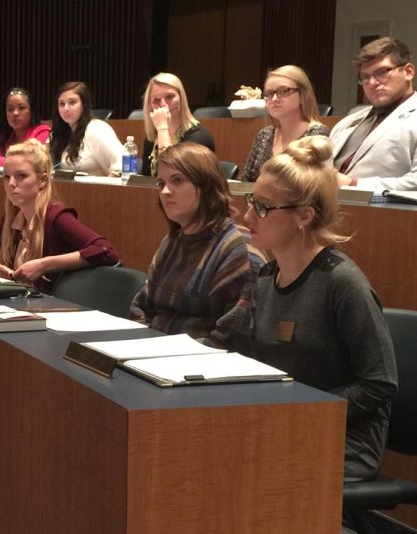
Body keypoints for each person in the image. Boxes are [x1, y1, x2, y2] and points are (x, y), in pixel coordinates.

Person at [239, 135, 397, 481]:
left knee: (241, 464)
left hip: (343, 439)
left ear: (304, 216)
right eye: (251, 201)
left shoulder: (342, 283)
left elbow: (380, 384)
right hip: (285, 424)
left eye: (263, 207)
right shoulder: (267, 276)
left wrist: (306, 413)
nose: (248, 214)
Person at [129, 143, 255, 348]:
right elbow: (141, 306)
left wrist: (160, 352)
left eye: (177, 180)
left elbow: (231, 337)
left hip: (199, 365)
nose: (165, 191)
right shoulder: (171, 241)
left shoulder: (236, 248)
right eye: (161, 183)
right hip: (153, 355)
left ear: (206, 185)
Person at [0, 140, 119, 288]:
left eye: (21, 176)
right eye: (6, 177)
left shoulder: (57, 217)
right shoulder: (11, 220)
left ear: (43, 180)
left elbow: (106, 251)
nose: (11, 184)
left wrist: (44, 265)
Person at [328, 37, 417, 191]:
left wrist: (353, 185)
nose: (372, 83)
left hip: (379, 212)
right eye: (365, 77)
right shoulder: (347, 123)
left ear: (408, 72)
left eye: (382, 72)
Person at [240, 64, 329, 182]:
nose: (275, 99)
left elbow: (313, 186)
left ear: (303, 96)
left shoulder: (318, 135)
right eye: (269, 94)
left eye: (284, 91)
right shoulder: (264, 135)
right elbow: (246, 181)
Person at [140, 72, 215, 176]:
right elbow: (145, 181)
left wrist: (162, 128)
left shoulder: (199, 136)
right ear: (150, 106)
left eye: (170, 96)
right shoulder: (152, 139)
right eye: (156, 100)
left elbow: (171, 174)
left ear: (181, 98)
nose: (163, 105)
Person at [49, 81, 124, 176]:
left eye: (72, 102)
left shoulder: (96, 129)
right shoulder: (58, 134)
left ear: (84, 105)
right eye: (62, 104)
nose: (66, 108)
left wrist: (107, 188)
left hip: (96, 189)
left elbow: (121, 163)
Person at [0, 87, 50, 167]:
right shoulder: (3, 138)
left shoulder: (43, 133)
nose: (15, 113)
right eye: (10, 109)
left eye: (21, 108)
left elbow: (29, 162)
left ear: (31, 111)